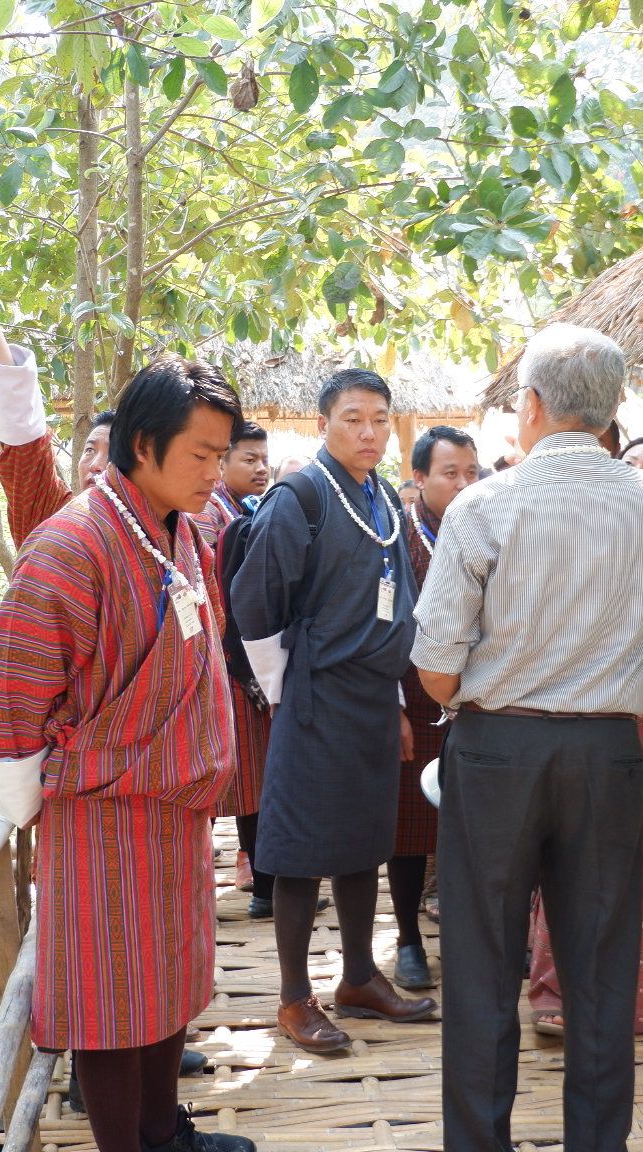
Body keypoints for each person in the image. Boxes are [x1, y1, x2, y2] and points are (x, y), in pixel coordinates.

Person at [411, 324, 643, 1152]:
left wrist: (490, 694)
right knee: (601, 971)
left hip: (497, 748)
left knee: (481, 967)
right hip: (609, 750)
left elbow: (433, 664)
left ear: (529, 407)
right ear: (611, 413)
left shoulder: (484, 504)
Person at [0, 356, 254, 1152]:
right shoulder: (70, 547)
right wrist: (27, 801)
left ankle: (165, 1133)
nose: (215, 471)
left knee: (166, 982)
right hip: (101, 814)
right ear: (143, 443)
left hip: (175, 807)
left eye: (220, 453)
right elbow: (12, 700)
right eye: (200, 455)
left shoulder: (183, 530)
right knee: (109, 1002)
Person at [231, 368, 437, 1054]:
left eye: (379, 419)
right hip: (315, 695)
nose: (369, 431)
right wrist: (288, 687)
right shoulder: (302, 495)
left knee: (363, 840)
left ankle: (358, 977)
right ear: (324, 425)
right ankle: (294, 999)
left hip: (372, 699)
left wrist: (397, 700)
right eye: (353, 418)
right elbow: (255, 601)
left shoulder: (378, 493)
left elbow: (396, 596)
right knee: (298, 850)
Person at [523, 435, 643, 1038]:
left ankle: (641, 1001)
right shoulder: (579, 541)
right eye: (629, 469)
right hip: (580, 718)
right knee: (569, 858)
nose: (640, 481)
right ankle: (556, 992)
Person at [391, 425, 480, 991]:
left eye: (471, 473)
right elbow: (382, 628)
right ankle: (406, 940)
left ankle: (475, 942)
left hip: (477, 702)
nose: (464, 484)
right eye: (450, 474)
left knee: (477, 829)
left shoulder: (489, 529)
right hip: (415, 702)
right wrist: (390, 705)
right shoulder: (394, 538)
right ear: (419, 478)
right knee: (408, 830)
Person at [0, 269, 108, 548]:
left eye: (113, 454)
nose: (96, 465)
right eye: (90, 450)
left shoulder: (172, 531)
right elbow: (24, 444)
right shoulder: (54, 516)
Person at [199, 421, 273, 902]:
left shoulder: (250, 509)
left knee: (254, 777)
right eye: (249, 459)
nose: (261, 467)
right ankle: (260, 885)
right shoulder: (208, 515)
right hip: (228, 665)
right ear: (222, 462)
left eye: (264, 458)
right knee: (247, 777)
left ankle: (266, 883)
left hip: (245, 664)